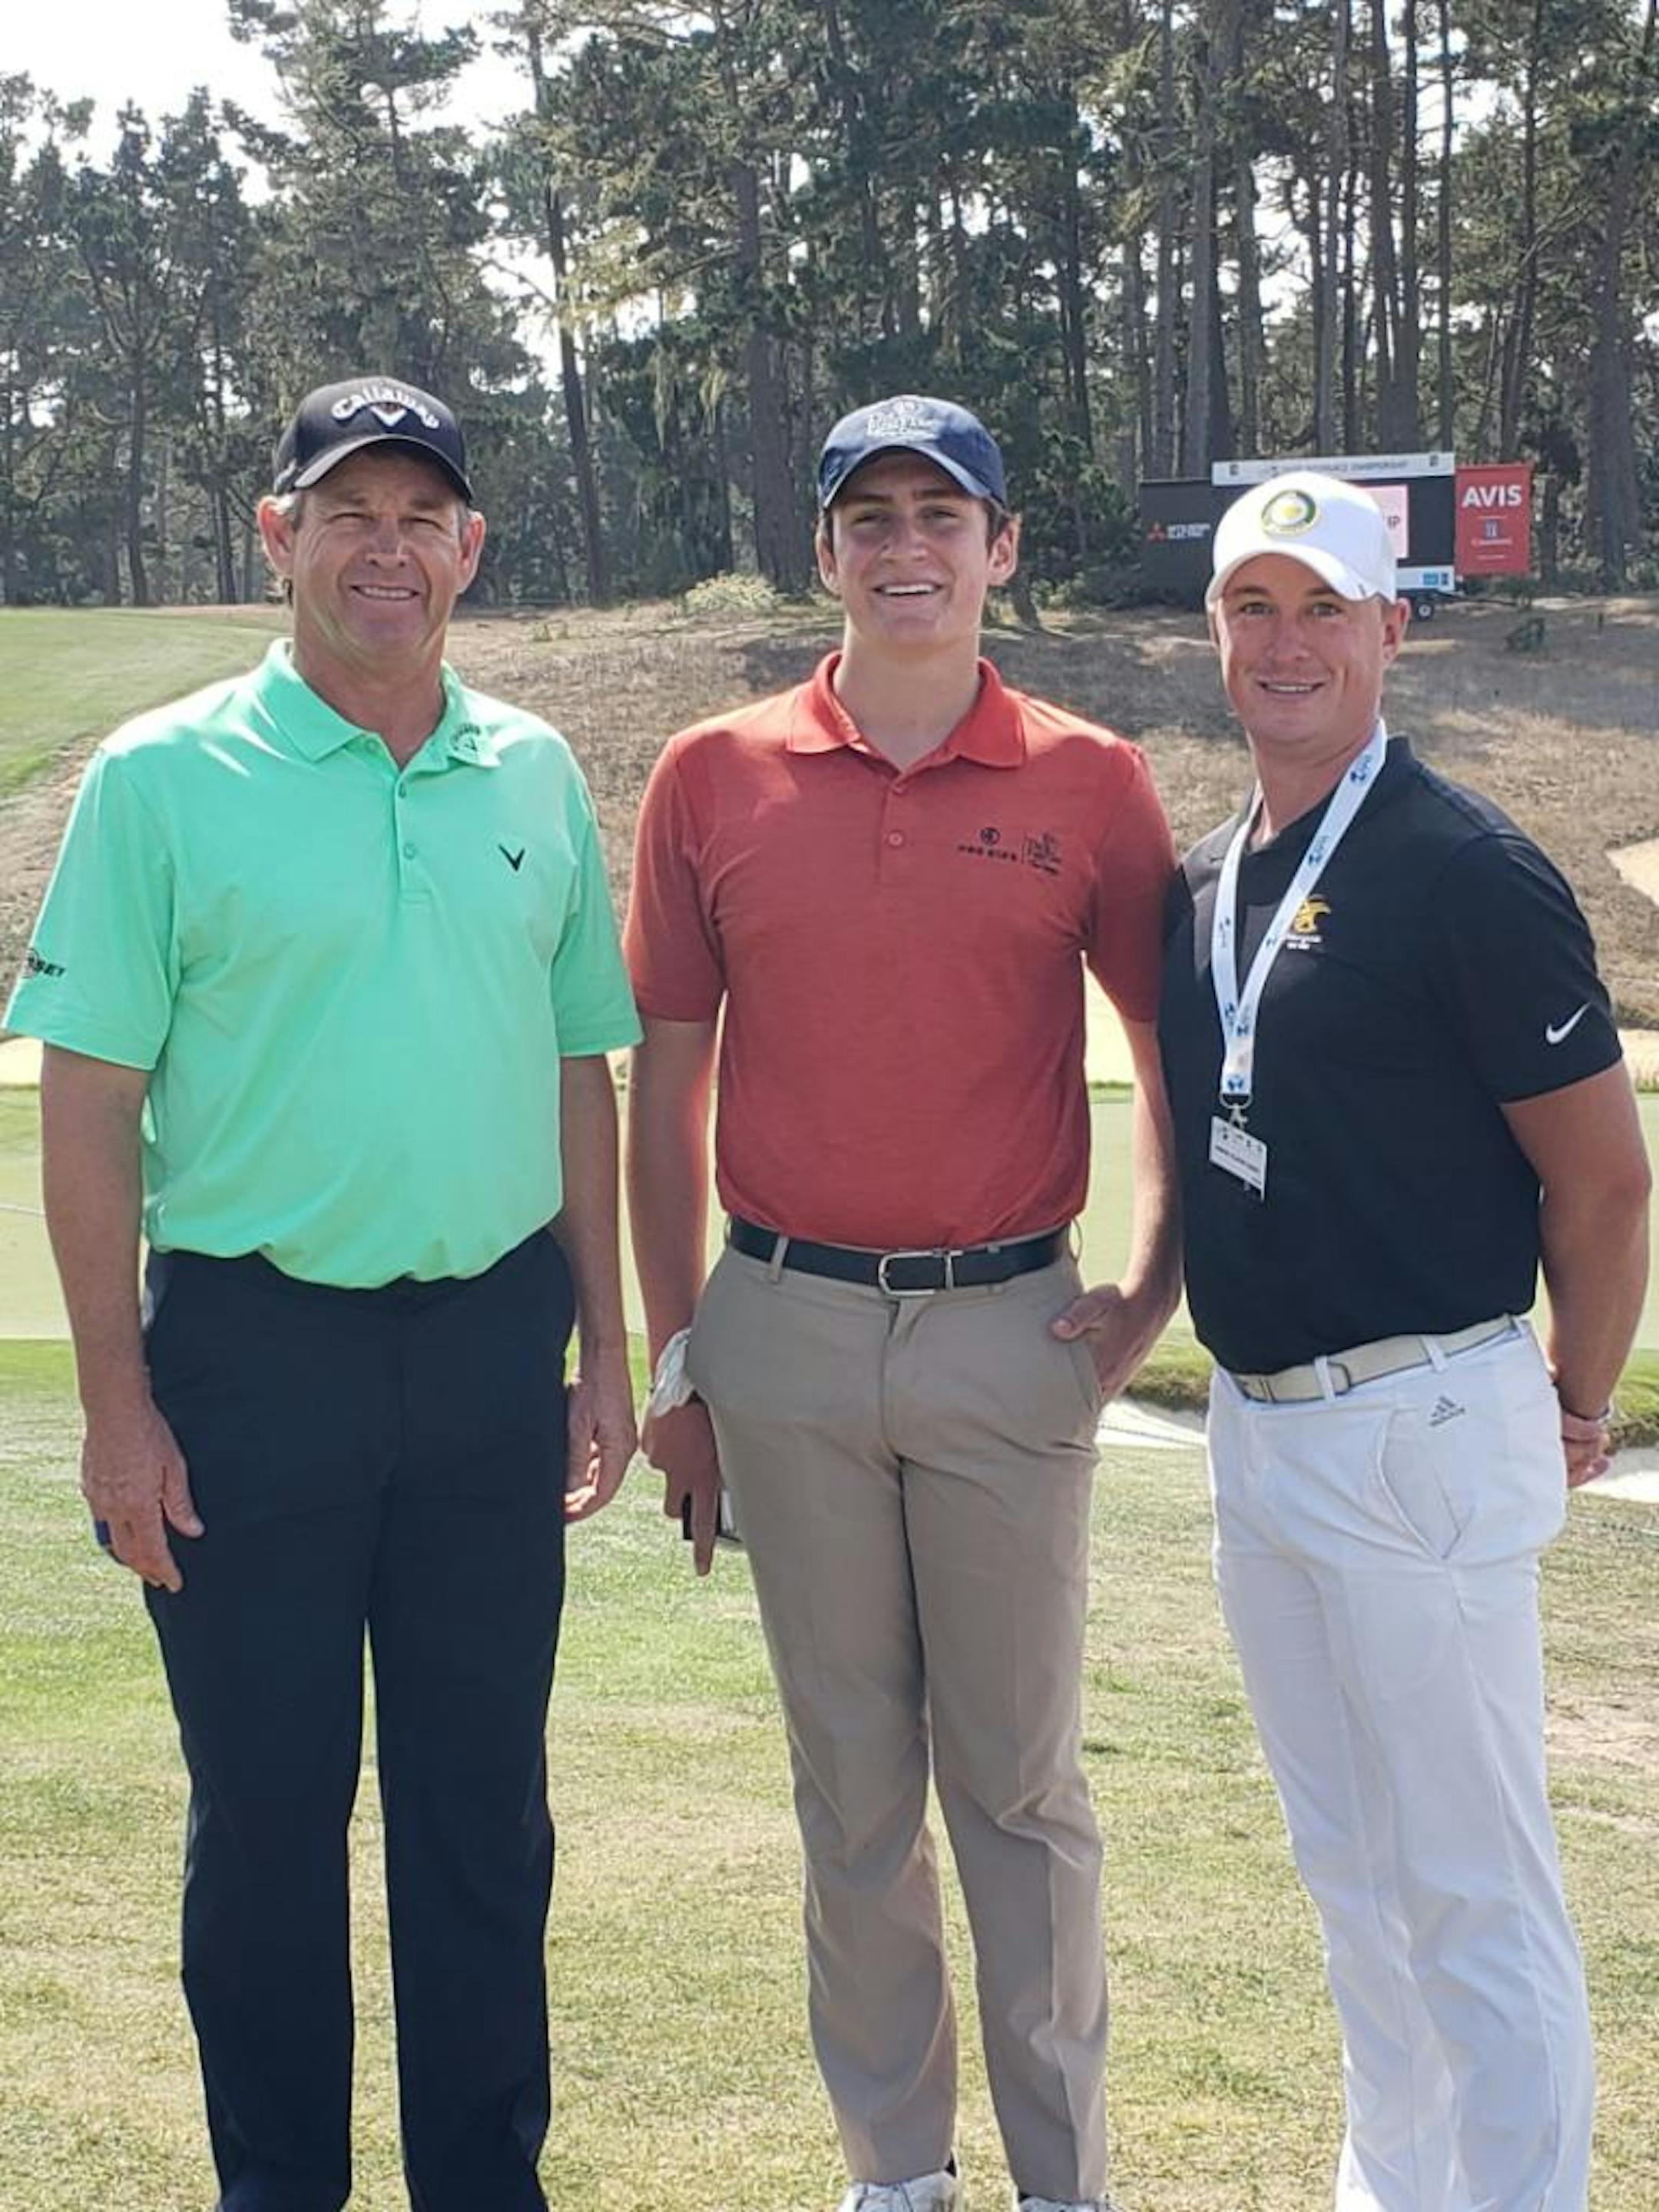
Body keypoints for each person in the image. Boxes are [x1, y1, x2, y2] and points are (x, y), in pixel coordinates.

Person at [5, 375, 641, 2212]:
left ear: (471, 549)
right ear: (276, 537)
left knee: (478, 1829)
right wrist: (116, 1407)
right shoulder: (159, 777)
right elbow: (93, 1100)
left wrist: (605, 1347)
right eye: (344, 512)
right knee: (269, 1830)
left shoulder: (529, 771)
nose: (387, 547)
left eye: (420, 515)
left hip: (484, 1357)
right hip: (248, 1361)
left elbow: (572, 1071)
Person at [624, 395, 1179, 2212]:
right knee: (851, 1795)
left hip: (1004, 1328)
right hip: (780, 1327)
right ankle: (896, 2174)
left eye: (944, 514)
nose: (907, 547)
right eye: (870, 516)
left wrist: (1146, 1295)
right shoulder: (713, 774)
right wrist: (680, 1362)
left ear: (1003, 549)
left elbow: (1174, 1064)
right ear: (827, 553)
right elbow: (667, 1086)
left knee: (1016, 1796)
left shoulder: (1091, 780)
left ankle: (1061, 2182)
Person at [1157, 469, 1651, 2212]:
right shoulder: (1210, 872)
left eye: (1324, 610)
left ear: (1392, 629)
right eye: (1254, 609)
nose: (1287, 644)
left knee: (1472, 1889)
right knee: (1351, 1876)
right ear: (1216, 631)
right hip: (1263, 1433)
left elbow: (1602, 1185)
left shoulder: (1465, 868)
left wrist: (1575, 1394)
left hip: (1422, 1420)